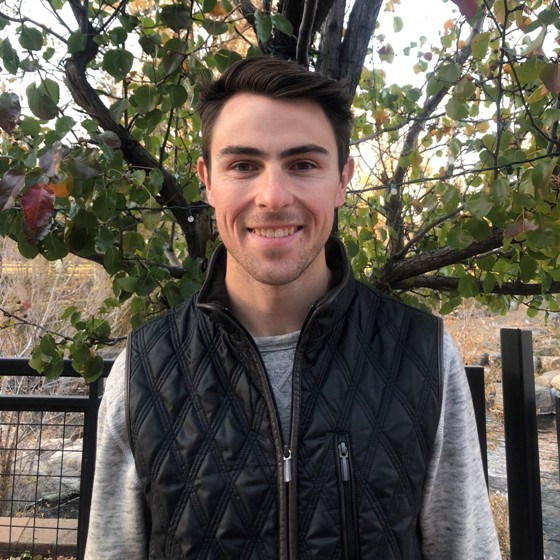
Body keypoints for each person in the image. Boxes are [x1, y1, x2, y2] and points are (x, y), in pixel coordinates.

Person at [85, 56, 500, 559]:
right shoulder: (144, 366)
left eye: (303, 164)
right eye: (243, 165)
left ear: (342, 179)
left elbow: (466, 548)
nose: (273, 196)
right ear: (207, 181)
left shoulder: (423, 354)